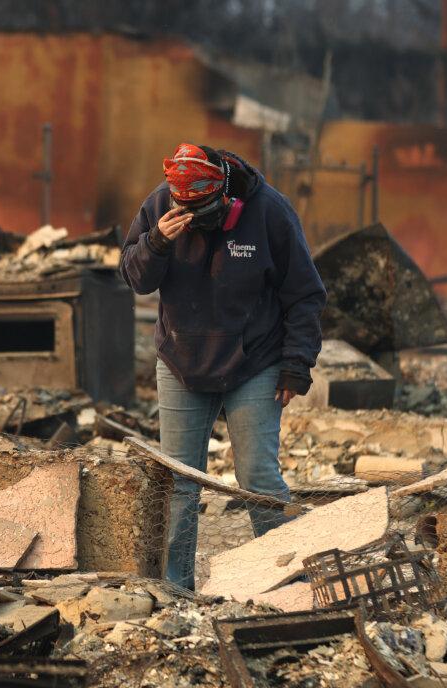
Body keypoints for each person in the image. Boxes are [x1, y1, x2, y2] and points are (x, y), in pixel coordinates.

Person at [119, 143, 327, 590]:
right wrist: (156, 242)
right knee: (179, 481)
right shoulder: (160, 204)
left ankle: (285, 582)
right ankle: (176, 589)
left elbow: (305, 293)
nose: (194, 217)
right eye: (185, 208)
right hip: (182, 361)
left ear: (225, 194)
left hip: (255, 360)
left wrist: (296, 365)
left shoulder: (268, 210)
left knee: (257, 476)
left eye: (203, 209)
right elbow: (135, 278)